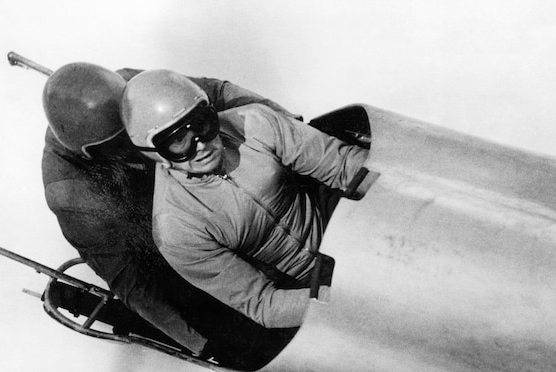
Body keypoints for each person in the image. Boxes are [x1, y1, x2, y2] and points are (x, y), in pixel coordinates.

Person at [41, 62, 302, 369]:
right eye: (120, 142)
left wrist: (291, 126)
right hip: (165, 242)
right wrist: (200, 344)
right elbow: (131, 281)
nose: (139, 145)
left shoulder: (136, 87)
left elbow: (217, 94)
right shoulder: (70, 194)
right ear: (91, 154)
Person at [120, 69, 369, 329]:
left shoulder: (254, 123)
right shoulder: (176, 228)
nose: (201, 145)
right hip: (308, 286)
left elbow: (347, 167)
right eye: (179, 141)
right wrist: (343, 302)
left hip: (348, 228)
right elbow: (264, 304)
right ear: (154, 154)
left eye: (202, 125)